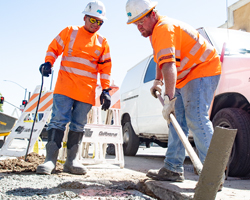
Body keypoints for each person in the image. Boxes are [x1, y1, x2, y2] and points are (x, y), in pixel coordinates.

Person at [126, 0, 221, 182]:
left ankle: (213, 175)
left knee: (196, 117)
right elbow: (162, 60)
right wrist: (157, 81)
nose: (138, 27)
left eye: (141, 21)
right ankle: (173, 169)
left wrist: (169, 100)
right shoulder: (155, 33)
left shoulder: (163, 28)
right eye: (135, 24)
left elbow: (170, 65)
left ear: (152, 14)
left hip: (203, 68)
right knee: (176, 121)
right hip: (186, 75)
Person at [36, 0, 112, 175]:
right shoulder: (70, 31)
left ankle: (71, 161)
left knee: (78, 125)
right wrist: (48, 63)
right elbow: (53, 48)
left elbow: (105, 68)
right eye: (93, 20)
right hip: (65, 87)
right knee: (58, 121)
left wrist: (106, 90)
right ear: (85, 17)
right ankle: (50, 161)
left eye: (100, 22)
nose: (96, 24)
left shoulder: (102, 42)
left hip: (86, 92)